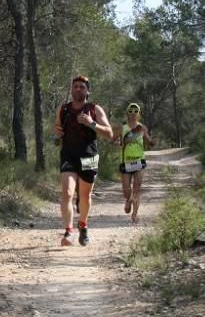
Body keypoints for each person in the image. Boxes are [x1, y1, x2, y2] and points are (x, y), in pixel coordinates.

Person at [51, 75, 112, 246]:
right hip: (68, 155)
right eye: (75, 86)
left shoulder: (94, 109)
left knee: (85, 196)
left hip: (89, 156)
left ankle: (83, 226)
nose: (78, 89)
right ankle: (68, 231)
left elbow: (109, 134)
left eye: (82, 87)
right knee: (67, 193)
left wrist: (91, 123)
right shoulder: (63, 109)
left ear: (88, 91)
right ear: (71, 89)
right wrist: (56, 136)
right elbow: (56, 135)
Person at [115, 103, 154, 224]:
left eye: (135, 111)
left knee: (137, 189)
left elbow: (148, 142)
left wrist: (151, 141)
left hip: (139, 161)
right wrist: (117, 142)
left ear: (139, 113)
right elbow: (114, 139)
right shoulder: (123, 128)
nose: (133, 113)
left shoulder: (142, 128)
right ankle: (128, 200)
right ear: (127, 113)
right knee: (126, 189)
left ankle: (135, 215)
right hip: (126, 161)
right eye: (130, 111)